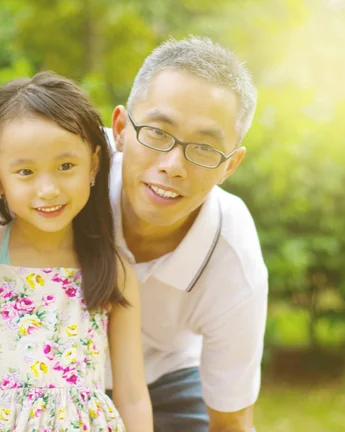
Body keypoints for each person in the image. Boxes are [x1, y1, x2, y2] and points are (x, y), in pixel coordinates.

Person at [0, 71, 152, 432]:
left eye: (66, 166)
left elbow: (132, 395)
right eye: (25, 171)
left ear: (94, 164)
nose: (48, 189)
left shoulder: (115, 272)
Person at [106, 36, 268, 432]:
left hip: (163, 380)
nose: (173, 165)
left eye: (205, 149)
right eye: (158, 133)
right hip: (43, 369)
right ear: (120, 129)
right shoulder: (64, 175)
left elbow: (231, 423)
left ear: (230, 166)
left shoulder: (234, 259)